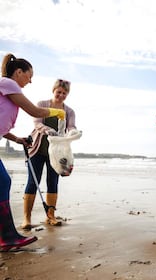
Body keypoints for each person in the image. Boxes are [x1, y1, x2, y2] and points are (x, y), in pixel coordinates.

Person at [0, 53, 65, 251]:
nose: (30, 80)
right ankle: (8, 238)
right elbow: (35, 112)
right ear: (18, 72)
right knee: (3, 182)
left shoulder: (7, 86)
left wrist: (16, 138)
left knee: (3, 182)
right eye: (29, 75)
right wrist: (57, 112)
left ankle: (7, 237)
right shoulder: (9, 83)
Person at [21, 79, 76, 229]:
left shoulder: (69, 111)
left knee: (53, 182)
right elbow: (37, 123)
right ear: (53, 91)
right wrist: (47, 130)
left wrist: (73, 132)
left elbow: (71, 127)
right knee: (33, 182)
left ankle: (50, 216)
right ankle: (27, 218)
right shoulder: (42, 104)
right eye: (59, 92)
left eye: (64, 93)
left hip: (56, 154)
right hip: (37, 149)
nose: (61, 95)